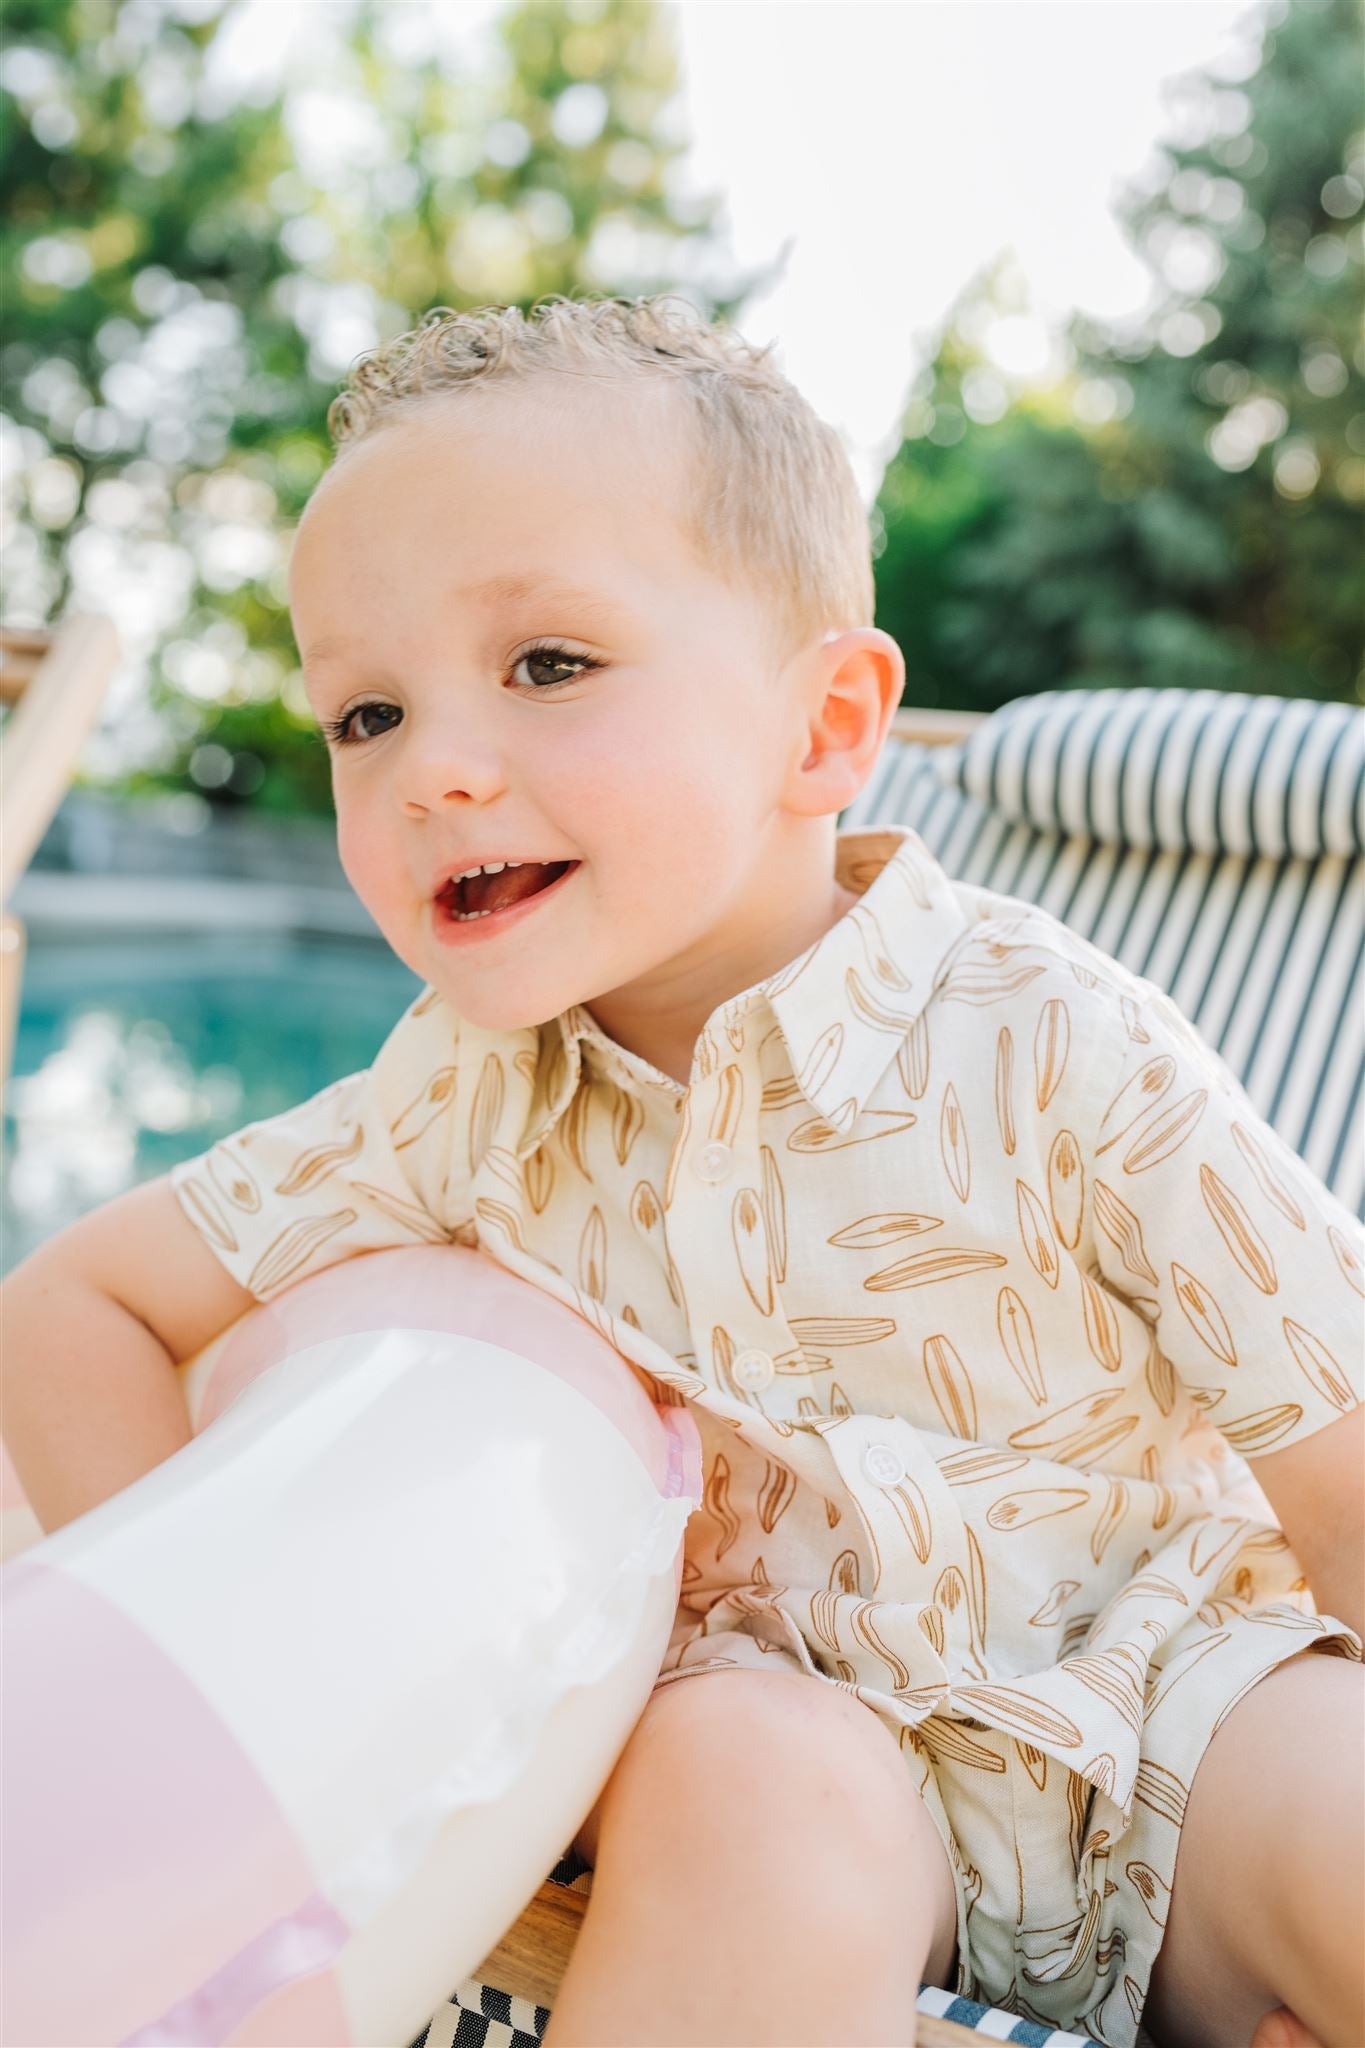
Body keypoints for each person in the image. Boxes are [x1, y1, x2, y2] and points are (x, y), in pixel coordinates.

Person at [3, 296, 1361, 2048]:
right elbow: (73, 1309)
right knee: (744, 1789)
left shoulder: (1051, 1038)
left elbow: (1341, 1474)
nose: (434, 771)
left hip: (1171, 1706)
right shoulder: (452, 1103)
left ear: (824, 728)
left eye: (548, 664)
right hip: (791, 1768)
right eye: (365, 714)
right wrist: (291, 1704)